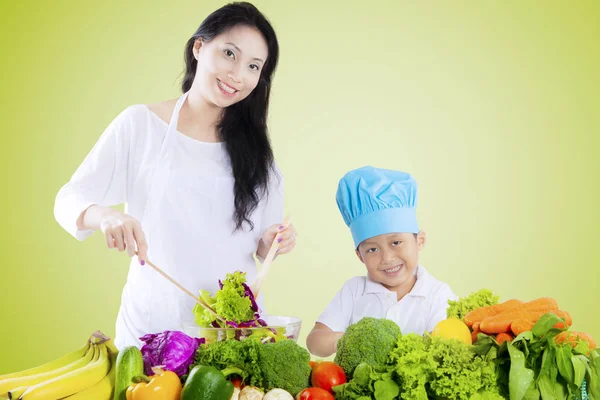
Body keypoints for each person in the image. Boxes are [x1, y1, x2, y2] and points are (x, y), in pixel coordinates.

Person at [54, 2, 296, 350]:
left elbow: (262, 245)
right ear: (199, 47)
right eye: (229, 53)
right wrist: (106, 216)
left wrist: (276, 241)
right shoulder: (141, 124)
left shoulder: (259, 154)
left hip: (231, 337)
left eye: (253, 66)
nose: (237, 75)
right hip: (152, 329)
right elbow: (68, 199)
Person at [306, 166, 456, 357]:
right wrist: (347, 339)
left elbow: (443, 349)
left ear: (420, 241)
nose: (387, 258)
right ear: (360, 256)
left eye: (396, 242)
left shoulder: (438, 295)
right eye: (372, 249)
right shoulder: (354, 291)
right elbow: (315, 341)